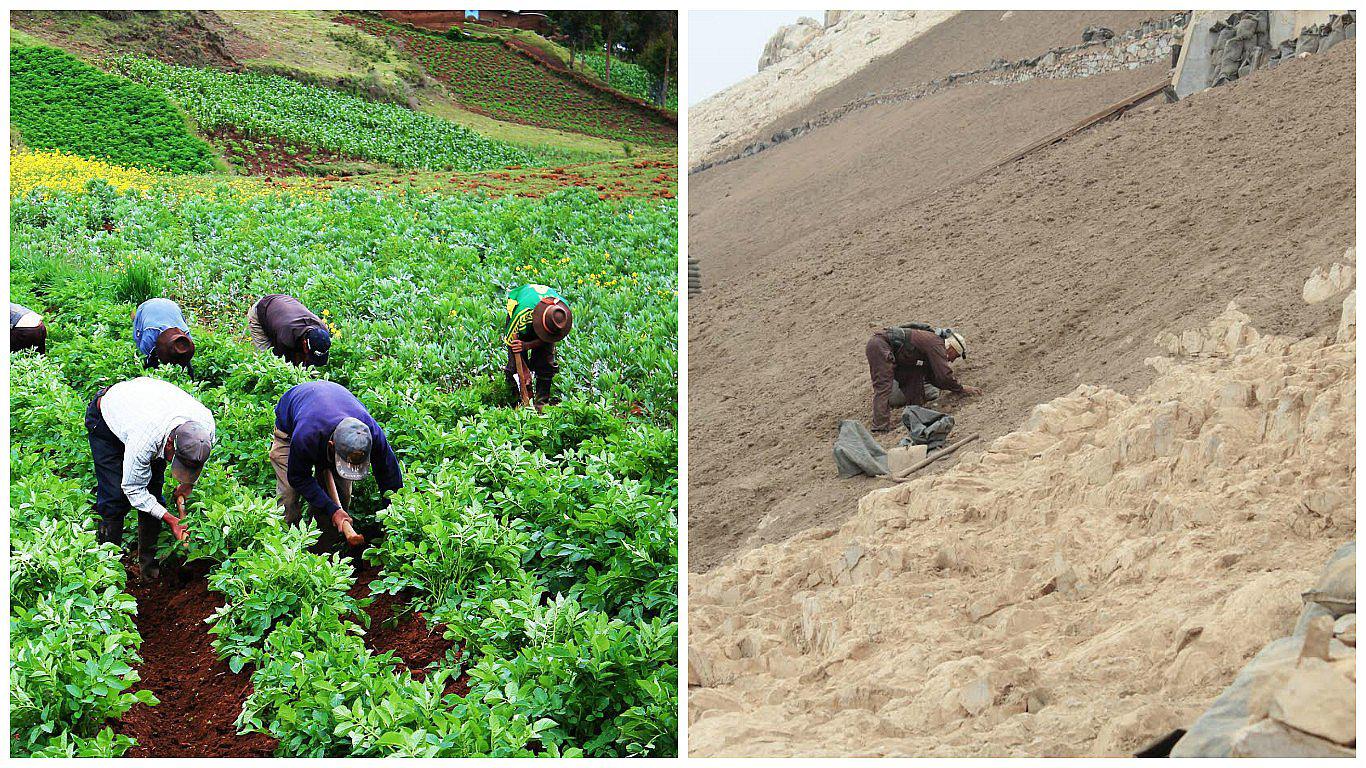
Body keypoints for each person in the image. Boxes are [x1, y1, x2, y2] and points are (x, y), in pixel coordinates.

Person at [86, 376, 214, 579]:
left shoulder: (204, 428)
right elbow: (134, 488)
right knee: (114, 497)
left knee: (154, 493)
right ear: (170, 443)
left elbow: (196, 459)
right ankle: (106, 572)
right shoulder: (145, 438)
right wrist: (172, 520)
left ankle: (149, 574)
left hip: (145, 411)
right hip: (108, 421)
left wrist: (187, 485)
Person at [271, 381, 402, 552]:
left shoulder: (371, 433)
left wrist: (393, 517)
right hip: (290, 428)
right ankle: (289, 553)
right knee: (288, 497)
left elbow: (389, 475)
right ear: (333, 446)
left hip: (330, 411)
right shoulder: (306, 435)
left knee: (343, 496)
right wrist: (333, 509)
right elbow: (298, 477)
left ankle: (320, 554)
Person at [865, 323, 981, 432]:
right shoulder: (936, 344)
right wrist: (961, 388)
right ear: (950, 347)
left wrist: (957, 388)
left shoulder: (931, 345)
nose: (952, 360)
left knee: (914, 379)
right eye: (954, 356)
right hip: (880, 345)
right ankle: (880, 427)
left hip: (899, 356)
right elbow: (944, 375)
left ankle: (915, 412)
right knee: (883, 385)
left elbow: (932, 377)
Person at [501, 283, 572, 407]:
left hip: (546, 319)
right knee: (515, 369)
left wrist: (527, 345)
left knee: (546, 365)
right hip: (522, 311)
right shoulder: (522, 314)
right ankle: (515, 401)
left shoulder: (561, 314)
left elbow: (549, 339)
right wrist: (523, 368)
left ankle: (541, 405)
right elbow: (511, 342)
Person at [247, 293, 331, 367]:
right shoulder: (285, 338)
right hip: (262, 310)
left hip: (284, 305)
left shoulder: (323, 330)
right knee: (269, 360)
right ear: (305, 344)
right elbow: (283, 364)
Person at [132, 297, 195, 373]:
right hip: (148, 307)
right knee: (149, 357)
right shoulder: (150, 334)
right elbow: (148, 361)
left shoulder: (186, 338)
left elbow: (187, 359)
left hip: (172, 306)